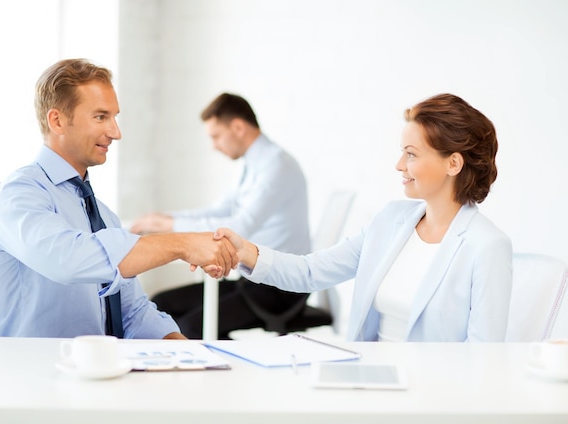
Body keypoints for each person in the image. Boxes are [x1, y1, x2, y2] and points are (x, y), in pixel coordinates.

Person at [217, 93, 513, 342]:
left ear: (453, 163)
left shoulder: (487, 246)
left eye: (411, 154)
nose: (399, 165)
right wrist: (246, 251)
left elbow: (483, 358)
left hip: (432, 398)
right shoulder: (390, 221)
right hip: (370, 380)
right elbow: (310, 272)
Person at [0, 58, 237, 339]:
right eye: (101, 117)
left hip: (101, 373)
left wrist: (193, 356)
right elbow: (69, 259)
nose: (116, 132)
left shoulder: (101, 215)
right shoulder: (16, 195)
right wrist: (181, 244)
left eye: (115, 117)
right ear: (57, 121)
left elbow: (133, 313)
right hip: (38, 374)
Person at [130, 93, 311, 339]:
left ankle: (225, 370)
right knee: (162, 305)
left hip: (278, 287)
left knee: (191, 327)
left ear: (237, 127)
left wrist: (171, 225)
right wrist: (165, 219)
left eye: (216, 136)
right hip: (251, 280)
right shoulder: (253, 164)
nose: (214, 145)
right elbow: (222, 209)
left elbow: (240, 227)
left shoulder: (276, 166)